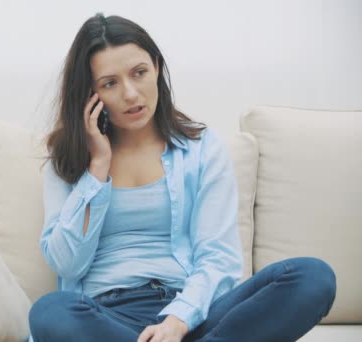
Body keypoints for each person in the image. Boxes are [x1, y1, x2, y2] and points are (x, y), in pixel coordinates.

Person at [29, 13, 336, 342]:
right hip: (108, 319)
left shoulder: (201, 148)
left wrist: (179, 319)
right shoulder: (68, 158)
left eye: (139, 73)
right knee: (50, 312)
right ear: (91, 94)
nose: (131, 93)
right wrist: (98, 166)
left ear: (157, 68)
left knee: (312, 276)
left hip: (192, 313)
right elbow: (67, 263)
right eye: (110, 83)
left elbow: (218, 257)